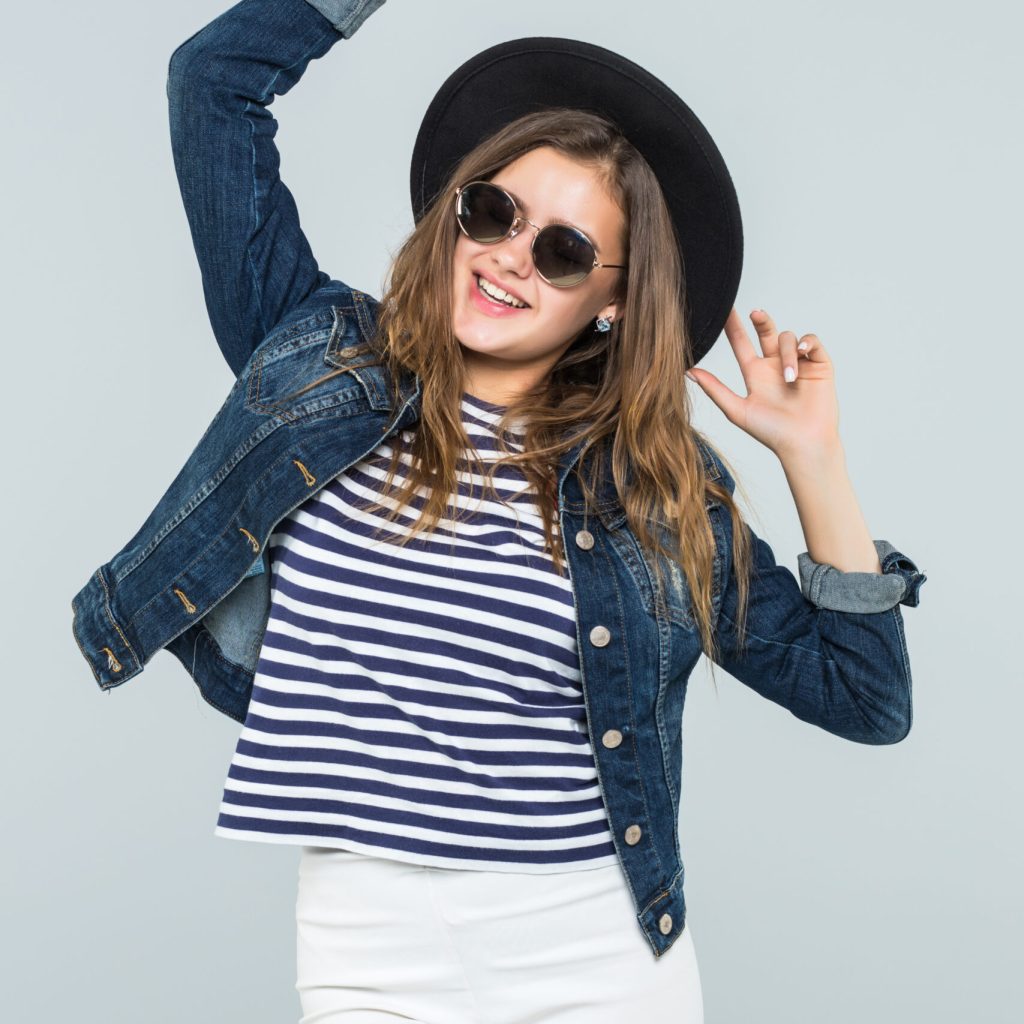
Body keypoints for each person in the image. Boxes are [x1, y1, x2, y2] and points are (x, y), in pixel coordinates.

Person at [71, 0, 929, 1020]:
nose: (512, 255)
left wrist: (812, 459)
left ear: (612, 300)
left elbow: (866, 699)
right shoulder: (316, 358)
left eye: (564, 250)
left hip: (595, 956)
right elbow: (210, 84)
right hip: (365, 946)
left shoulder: (650, 491)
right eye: (493, 213)